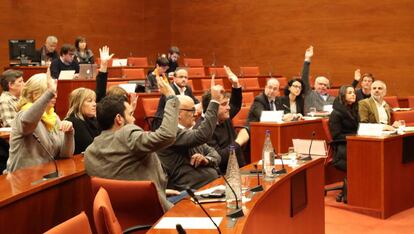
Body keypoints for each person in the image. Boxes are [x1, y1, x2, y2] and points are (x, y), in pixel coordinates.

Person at [84, 75, 180, 212]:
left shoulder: (90, 152)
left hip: (124, 217)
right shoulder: (126, 134)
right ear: (119, 119)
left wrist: (159, 190)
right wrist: (171, 98)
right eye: (130, 114)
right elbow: (167, 135)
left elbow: (126, 179)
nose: (134, 119)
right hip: (156, 212)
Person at [6, 71, 74, 172]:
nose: (54, 95)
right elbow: (28, 122)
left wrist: (69, 133)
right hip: (22, 179)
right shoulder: (23, 115)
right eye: (49, 92)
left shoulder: (53, 117)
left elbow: (65, 155)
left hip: (46, 176)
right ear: (34, 94)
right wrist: (49, 93)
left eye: (55, 91)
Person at [157, 91, 222, 191]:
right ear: (178, 114)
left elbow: (215, 154)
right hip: (188, 193)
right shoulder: (172, 133)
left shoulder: (188, 132)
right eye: (192, 110)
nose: (196, 114)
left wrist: (206, 160)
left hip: (209, 188)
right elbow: (203, 135)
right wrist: (214, 101)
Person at [198, 66, 249, 173]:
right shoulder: (203, 129)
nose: (229, 107)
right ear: (212, 107)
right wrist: (239, 141)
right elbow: (219, 158)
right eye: (224, 104)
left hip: (239, 168)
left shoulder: (223, 115)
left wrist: (235, 84)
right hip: (225, 176)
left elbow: (235, 104)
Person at [65, 46, 114, 155]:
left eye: (94, 101)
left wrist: (104, 66)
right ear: (79, 104)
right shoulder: (75, 121)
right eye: (89, 101)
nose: (94, 104)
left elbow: (100, 94)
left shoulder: (93, 119)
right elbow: (92, 146)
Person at [329, 85, 359, 172]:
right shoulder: (336, 113)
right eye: (350, 93)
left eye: (354, 93)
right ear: (343, 95)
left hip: (355, 141)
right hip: (343, 145)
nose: (353, 95)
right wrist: (356, 136)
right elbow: (336, 136)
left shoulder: (354, 110)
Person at [302, 46, 336, 113]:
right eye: (320, 84)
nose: (323, 86)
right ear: (314, 85)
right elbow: (304, 77)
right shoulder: (309, 94)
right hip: (313, 121)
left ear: (328, 87)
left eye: (325, 85)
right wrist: (307, 59)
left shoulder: (333, 99)